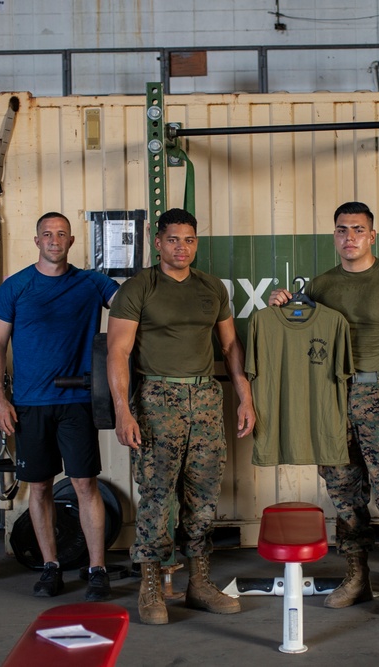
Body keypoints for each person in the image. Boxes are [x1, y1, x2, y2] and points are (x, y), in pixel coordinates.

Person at [269, 201, 379, 620]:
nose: (350, 238)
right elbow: (295, 327)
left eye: (358, 230)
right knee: (344, 493)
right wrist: (282, 301)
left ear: (372, 236)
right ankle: (356, 577)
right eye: (342, 230)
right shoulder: (321, 286)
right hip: (332, 399)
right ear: (334, 236)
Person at [107, 207, 256, 625]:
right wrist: (123, 410)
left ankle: (199, 584)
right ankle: (151, 587)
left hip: (206, 398)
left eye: (190, 240)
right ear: (158, 243)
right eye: (174, 239)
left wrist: (244, 398)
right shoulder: (138, 288)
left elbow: (230, 348)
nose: (182, 247)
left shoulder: (211, 288)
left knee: (203, 498)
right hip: (156, 397)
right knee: (157, 496)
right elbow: (118, 351)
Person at [0, 211, 120, 602]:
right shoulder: (16, 287)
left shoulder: (92, 283)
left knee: (84, 484)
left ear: (71, 242)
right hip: (29, 404)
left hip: (77, 402)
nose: (54, 240)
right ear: (36, 241)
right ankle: (51, 566)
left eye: (61, 234)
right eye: (47, 234)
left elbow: (130, 306)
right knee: (40, 488)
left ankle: (96, 569)